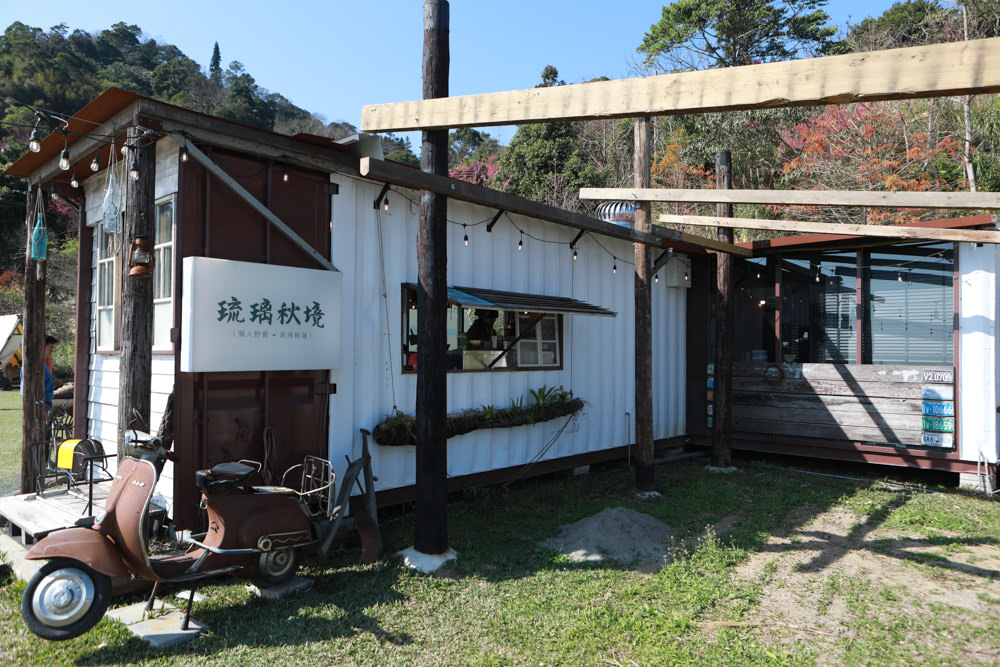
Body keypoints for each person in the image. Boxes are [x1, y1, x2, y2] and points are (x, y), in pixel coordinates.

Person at [21, 333, 57, 405]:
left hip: (43, 401)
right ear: (41, 347)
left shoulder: (46, 361)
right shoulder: (32, 365)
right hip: (38, 403)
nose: (52, 351)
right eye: (50, 348)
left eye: (53, 348)